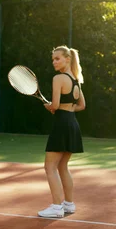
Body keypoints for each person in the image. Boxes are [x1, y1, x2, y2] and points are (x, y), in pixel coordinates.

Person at [38, 45, 86, 218]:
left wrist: (50, 107)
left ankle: (57, 207)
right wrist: (65, 110)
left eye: (57, 58)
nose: (54, 62)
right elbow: (82, 106)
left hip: (61, 125)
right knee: (62, 166)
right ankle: (69, 204)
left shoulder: (58, 78)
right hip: (72, 123)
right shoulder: (75, 79)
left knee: (49, 166)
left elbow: (56, 105)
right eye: (53, 59)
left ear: (68, 59)